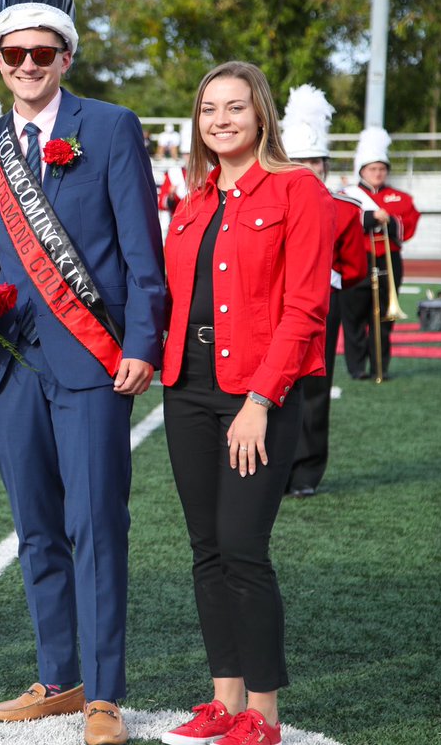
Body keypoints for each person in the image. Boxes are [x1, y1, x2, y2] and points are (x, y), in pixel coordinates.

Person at [0, 0, 165, 745]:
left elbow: (141, 249)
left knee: (95, 524)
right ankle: (58, 677)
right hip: (13, 362)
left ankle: (105, 695)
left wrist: (143, 341)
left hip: (93, 359)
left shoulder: (110, 126)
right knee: (37, 528)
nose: (27, 64)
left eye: (41, 52)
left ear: (66, 55)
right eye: (13, 53)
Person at [160, 61, 332, 745]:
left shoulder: (299, 189)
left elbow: (306, 306)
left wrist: (261, 399)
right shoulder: (194, 197)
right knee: (206, 549)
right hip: (186, 387)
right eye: (208, 109)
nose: (221, 120)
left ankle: (264, 713)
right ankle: (223, 701)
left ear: (261, 114)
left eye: (235, 107)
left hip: (256, 391)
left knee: (243, 546)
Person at [280, 85, 367, 499]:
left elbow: (353, 268)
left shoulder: (346, 208)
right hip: (271, 301)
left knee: (314, 386)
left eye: (316, 161)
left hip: (320, 303)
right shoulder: (266, 203)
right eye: (300, 161)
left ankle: (306, 472)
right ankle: (268, 468)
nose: (309, 168)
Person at [339, 127, 420, 381]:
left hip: (388, 259)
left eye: (382, 169)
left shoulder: (401, 197)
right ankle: (357, 368)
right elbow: (340, 222)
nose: (378, 173)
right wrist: (369, 218)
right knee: (354, 318)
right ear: (361, 170)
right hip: (356, 260)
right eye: (372, 169)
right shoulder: (346, 196)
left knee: (385, 318)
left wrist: (391, 220)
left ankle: (380, 367)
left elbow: (410, 223)